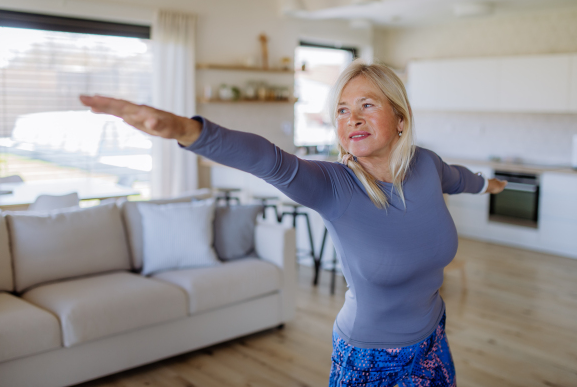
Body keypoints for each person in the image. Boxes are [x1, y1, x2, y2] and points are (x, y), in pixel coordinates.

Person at [80, 59, 507, 387]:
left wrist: (489, 184)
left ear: (400, 119)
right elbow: (270, 161)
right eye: (341, 110)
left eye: (366, 105)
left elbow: (459, 177)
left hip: (434, 332)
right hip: (371, 355)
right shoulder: (334, 186)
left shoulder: (426, 165)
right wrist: (186, 130)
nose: (351, 119)